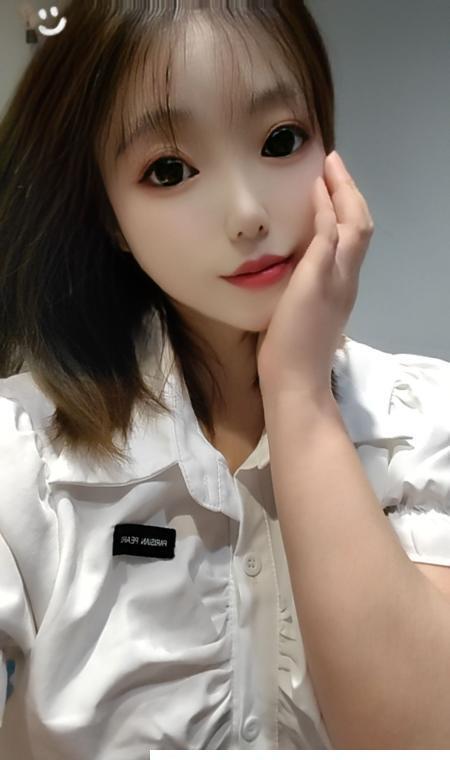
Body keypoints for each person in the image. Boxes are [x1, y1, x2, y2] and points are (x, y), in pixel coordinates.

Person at [1, 0, 450, 754]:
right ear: (108, 214)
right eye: (169, 170)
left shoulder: (426, 419)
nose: (247, 214)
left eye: (282, 140)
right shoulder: (23, 455)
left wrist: (299, 395)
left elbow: (417, 736)